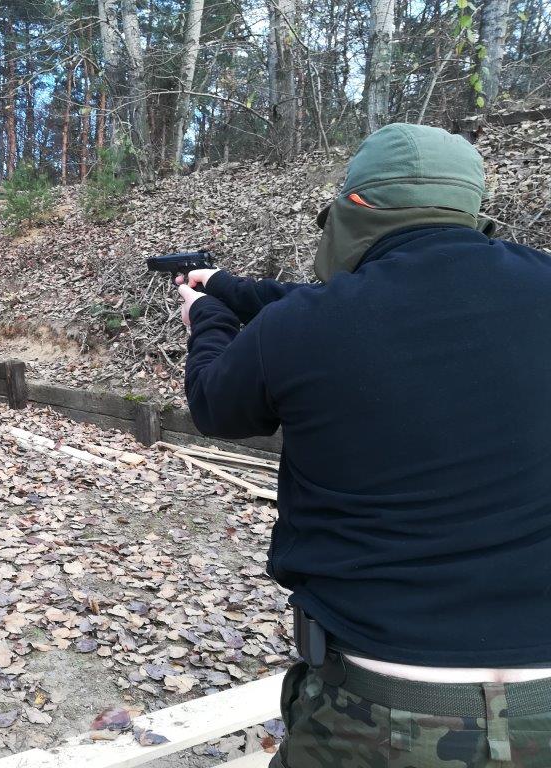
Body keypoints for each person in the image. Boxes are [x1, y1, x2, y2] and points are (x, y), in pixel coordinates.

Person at [176, 123, 551, 767]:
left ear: (354, 207)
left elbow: (215, 402)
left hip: (378, 706)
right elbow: (385, 304)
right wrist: (225, 284)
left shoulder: (302, 326)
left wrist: (205, 317)